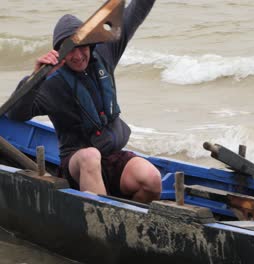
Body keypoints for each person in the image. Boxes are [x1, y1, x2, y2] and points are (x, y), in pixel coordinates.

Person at [6, 0, 161, 203]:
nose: (78, 56)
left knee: (152, 180)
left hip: (112, 157)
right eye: (70, 50)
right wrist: (35, 78)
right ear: (59, 53)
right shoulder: (51, 83)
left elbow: (134, 13)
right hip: (77, 164)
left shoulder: (105, 55)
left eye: (82, 47)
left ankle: (125, 217)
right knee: (90, 156)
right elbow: (16, 114)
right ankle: (102, 222)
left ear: (90, 44)